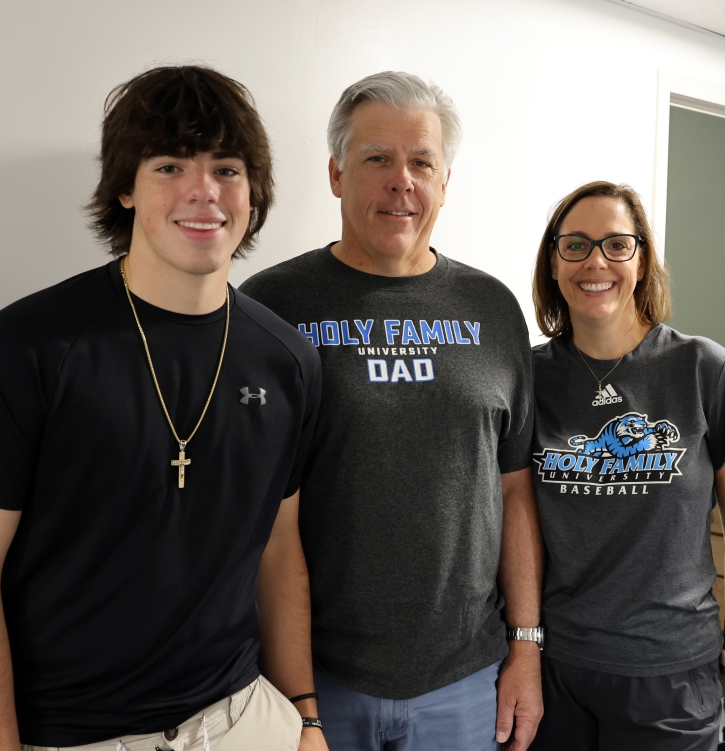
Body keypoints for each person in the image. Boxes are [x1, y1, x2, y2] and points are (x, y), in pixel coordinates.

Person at [0, 65, 329, 751]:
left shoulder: (290, 361)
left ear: (253, 192)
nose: (204, 192)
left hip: (244, 719)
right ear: (124, 187)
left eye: (227, 168)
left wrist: (304, 716)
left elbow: (279, 549)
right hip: (76, 735)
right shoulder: (21, 351)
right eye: (170, 165)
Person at [241, 71, 544, 751]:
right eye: (377, 158)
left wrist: (526, 646)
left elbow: (515, 488)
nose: (400, 180)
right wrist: (295, 694)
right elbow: (249, 504)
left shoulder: (493, 310)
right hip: (316, 679)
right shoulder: (269, 306)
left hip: (466, 681)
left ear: (444, 182)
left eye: (421, 162)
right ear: (336, 173)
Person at [529, 180, 725, 750]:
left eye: (617, 244)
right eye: (576, 245)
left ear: (641, 261)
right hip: (555, 669)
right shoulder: (528, 376)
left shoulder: (701, 369)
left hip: (671, 675)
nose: (596, 262)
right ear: (554, 262)